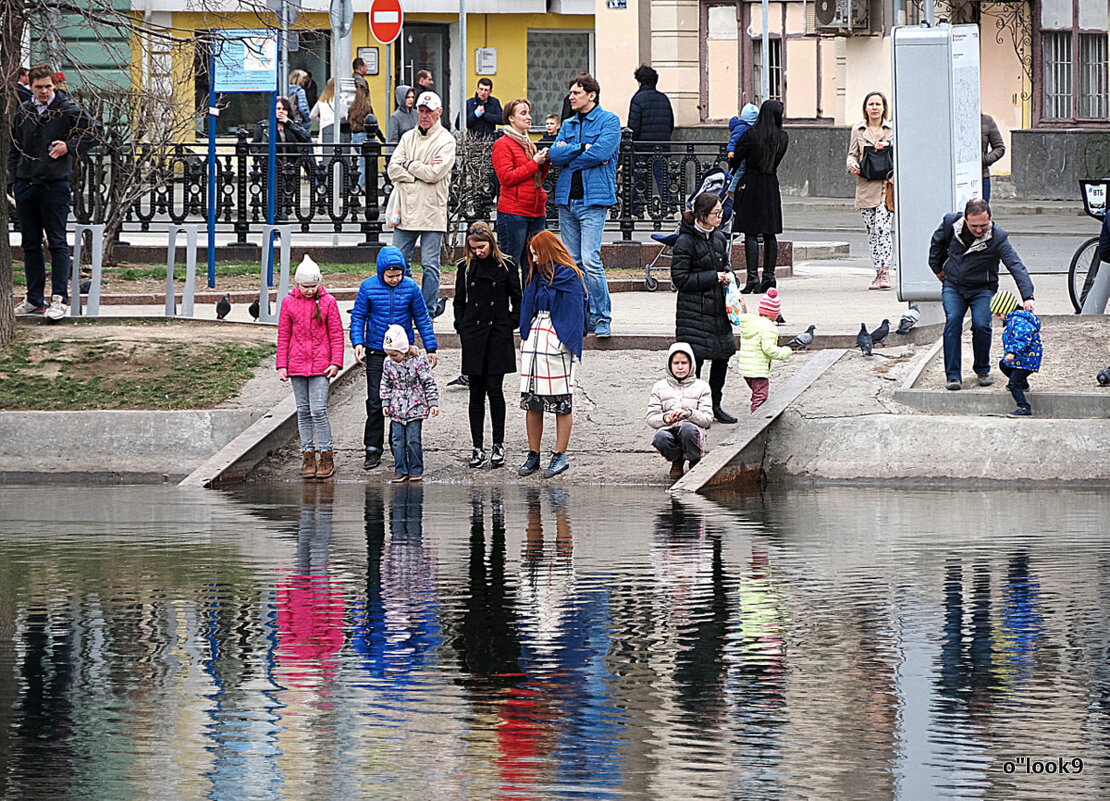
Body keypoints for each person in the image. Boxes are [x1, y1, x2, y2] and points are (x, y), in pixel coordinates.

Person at [10, 64, 104, 320]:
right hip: (26, 183)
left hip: (54, 184)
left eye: (48, 87)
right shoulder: (24, 110)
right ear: (30, 87)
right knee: (29, 243)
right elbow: (15, 146)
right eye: (38, 87)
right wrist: (13, 180)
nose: (43, 92)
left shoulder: (66, 109)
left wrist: (69, 146)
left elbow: (96, 130)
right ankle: (33, 299)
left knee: (57, 241)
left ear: (55, 85)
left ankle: (59, 298)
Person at [929, 198, 1035, 391]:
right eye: (974, 226)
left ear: (990, 218)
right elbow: (936, 245)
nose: (979, 230)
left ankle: (982, 369)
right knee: (953, 321)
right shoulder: (950, 224)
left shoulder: (998, 237)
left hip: (983, 288)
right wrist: (937, 269)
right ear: (965, 219)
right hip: (953, 285)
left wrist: (1027, 296)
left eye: (983, 225)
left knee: (981, 324)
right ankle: (953, 375)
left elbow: (1015, 265)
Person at [351, 246, 438, 471]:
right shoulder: (368, 287)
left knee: (403, 397)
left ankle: (397, 444)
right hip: (376, 350)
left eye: (397, 275)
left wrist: (430, 347)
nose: (394, 279)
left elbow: (421, 317)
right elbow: (359, 316)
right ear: (381, 272)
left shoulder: (410, 287)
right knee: (375, 399)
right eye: (390, 276)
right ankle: (372, 447)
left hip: (404, 353)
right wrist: (358, 342)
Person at [548, 72, 620, 338]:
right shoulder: (566, 124)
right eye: (571, 93)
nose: (571, 97)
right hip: (567, 200)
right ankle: (581, 315)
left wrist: (572, 155)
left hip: (593, 200)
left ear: (591, 95)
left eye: (576, 93)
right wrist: (582, 148)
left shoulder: (609, 120)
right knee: (572, 261)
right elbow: (555, 155)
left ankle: (602, 317)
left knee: (590, 259)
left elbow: (602, 153)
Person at [517, 230, 587, 479]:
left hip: (556, 338)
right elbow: (528, 304)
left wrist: (563, 341)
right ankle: (533, 454)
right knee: (531, 401)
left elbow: (575, 315)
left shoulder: (570, 276)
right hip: (535, 338)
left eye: (536, 254)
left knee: (561, 402)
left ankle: (560, 454)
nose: (533, 259)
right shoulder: (536, 275)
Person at [453, 222, 522, 469]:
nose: (478, 252)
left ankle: (498, 444)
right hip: (473, 333)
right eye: (473, 248)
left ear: (491, 243)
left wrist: (510, 323)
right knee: (475, 392)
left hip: (498, 333)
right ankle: (477, 446)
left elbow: (517, 298)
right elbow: (458, 300)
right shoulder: (465, 267)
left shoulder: (507, 265)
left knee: (495, 390)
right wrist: (462, 325)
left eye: (481, 247)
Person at [387, 91, 457, 318]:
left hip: (431, 211)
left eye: (429, 111)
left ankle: (427, 309)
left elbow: (435, 173)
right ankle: (402, 305)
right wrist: (417, 171)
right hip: (406, 210)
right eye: (421, 110)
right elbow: (392, 169)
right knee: (397, 261)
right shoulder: (408, 137)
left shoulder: (446, 140)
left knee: (430, 265)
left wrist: (408, 166)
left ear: (439, 113)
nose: (424, 115)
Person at [670, 192, 738, 424]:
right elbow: (680, 279)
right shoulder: (685, 241)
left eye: (721, 213)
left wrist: (729, 276)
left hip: (719, 309)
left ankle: (715, 404)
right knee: (695, 361)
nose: (720, 217)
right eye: (716, 213)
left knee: (722, 357)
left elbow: (726, 265)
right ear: (702, 215)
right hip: (694, 312)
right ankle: (693, 408)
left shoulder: (719, 237)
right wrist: (714, 277)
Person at [276, 255, 344, 481]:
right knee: (303, 411)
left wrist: (336, 362)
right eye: (305, 286)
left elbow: (336, 334)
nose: (309, 290)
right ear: (297, 284)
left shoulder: (328, 302)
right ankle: (307, 455)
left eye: (313, 286)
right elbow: (284, 335)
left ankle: (326, 455)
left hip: (321, 365)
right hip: (296, 365)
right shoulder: (288, 303)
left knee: (318, 409)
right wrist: (281, 365)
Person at [731, 99, 789, 295]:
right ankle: (769, 277)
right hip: (770, 185)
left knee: (750, 233)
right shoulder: (783, 137)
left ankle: (752, 278)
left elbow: (737, 158)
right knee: (770, 233)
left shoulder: (751, 134)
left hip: (751, 183)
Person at [493, 97, 549, 271]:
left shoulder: (528, 143)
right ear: (511, 118)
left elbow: (537, 177)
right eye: (523, 113)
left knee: (534, 264)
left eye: (529, 113)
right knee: (510, 263)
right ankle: (511, 299)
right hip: (514, 212)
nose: (529, 117)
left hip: (536, 210)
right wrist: (534, 162)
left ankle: (529, 298)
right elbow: (506, 178)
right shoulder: (502, 144)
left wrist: (544, 162)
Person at [847, 91, 895, 290]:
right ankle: (877, 272)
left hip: (887, 185)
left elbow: (904, 153)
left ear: (884, 107)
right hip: (866, 186)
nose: (875, 107)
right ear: (865, 108)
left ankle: (886, 272)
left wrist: (888, 146)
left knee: (883, 229)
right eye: (871, 104)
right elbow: (852, 154)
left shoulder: (893, 129)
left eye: (878, 104)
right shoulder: (857, 130)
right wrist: (851, 164)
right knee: (872, 231)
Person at [380, 324, 439, 482]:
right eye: (389, 354)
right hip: (396, 406)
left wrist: (432, 402)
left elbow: (429, 382)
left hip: (415, 405)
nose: (392, 358)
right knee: (397, 439)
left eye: (394, 354)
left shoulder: (418, 362)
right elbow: (385, 383)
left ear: (403, 350)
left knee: (413, 438)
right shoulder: (388, 363)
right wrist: (385, 402)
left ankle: (415, 468)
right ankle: (400, 468)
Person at [646, 342, 714, 480]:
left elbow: (707, 419)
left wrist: (690, 413)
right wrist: (666, 418)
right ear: (669, 364)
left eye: (684, 362)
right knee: (660, 437)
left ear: (692, 364)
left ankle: (694, 460)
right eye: (676, 363)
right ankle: (676, 460)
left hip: (692, 431)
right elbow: (651, 418)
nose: (680, 367)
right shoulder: (659, 387)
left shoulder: (702, 387)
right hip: (669, 429)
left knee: (687, 429)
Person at [252, 97, 310, 220]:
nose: (281, 111)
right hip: (273, 168)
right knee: (277, 197)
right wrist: (262, 159)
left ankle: (280, 220)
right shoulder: (264, 126)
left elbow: (305, 137)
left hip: (291, 168)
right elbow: (254, 146)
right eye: (278, 109)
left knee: (288, 196)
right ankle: (278, 222)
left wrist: (289, 122)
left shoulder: (293, 126)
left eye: (284, 109)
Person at [736, 288, 792, 413]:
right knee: (760, 397)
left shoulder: (751, 324)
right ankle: (756, 418)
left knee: (757, 392)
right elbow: (768, 349)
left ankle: (757, 413)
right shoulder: (769, 328)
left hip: (746, 369)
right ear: (775, 314)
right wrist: (784, 352)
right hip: (758, 370)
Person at [627, 64, 674, 211]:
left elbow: (633, 126)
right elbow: (670, 123)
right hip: (661, 146)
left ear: (639, 81)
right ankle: (668, 209)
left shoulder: (637, 99)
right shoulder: (664, 98)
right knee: (662, 178)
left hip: (642, 147)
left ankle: (636, 209)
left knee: (641, 178)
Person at [990, 289, 1042, 417]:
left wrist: (1012, 352)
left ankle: (1024, 407)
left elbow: (1023, 338)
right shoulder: (1014, 319)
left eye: (998, 314)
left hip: (1026, 359)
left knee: (1013, 384)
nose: (998, 317)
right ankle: (1023, 384)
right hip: (1022, 359)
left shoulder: (1018, 321)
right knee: (1003, 365)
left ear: (1006, 310)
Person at [349, 83, 383, 190]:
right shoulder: (367, 109)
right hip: (364, 136)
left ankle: (360, 184)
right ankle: (359, 186)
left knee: (361, 163)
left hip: (354, 137)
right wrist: (382, 139)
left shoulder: (352, 108)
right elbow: (374, 126)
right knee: (364, 164)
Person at [726, 103, 759, 199]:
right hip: (741, 155)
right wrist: (731, 151)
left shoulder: (744, 127)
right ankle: (732, 189)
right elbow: (733, 140)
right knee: (740, 171)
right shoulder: (742, 128)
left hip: (744, 154)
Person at [310, 78, 348, 146]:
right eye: (340, 86)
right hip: (337, 131)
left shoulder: (321, 100)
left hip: (323, 130)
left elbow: (312, 115)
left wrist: (321, 120)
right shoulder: (341, 100)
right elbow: (342, 115)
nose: (341, 88)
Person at [981, 113, 1006, 203]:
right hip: (958, 176)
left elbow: (1000, 148)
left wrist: (985, 159)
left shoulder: (986, 120)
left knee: (981, 213)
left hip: (982, 177)